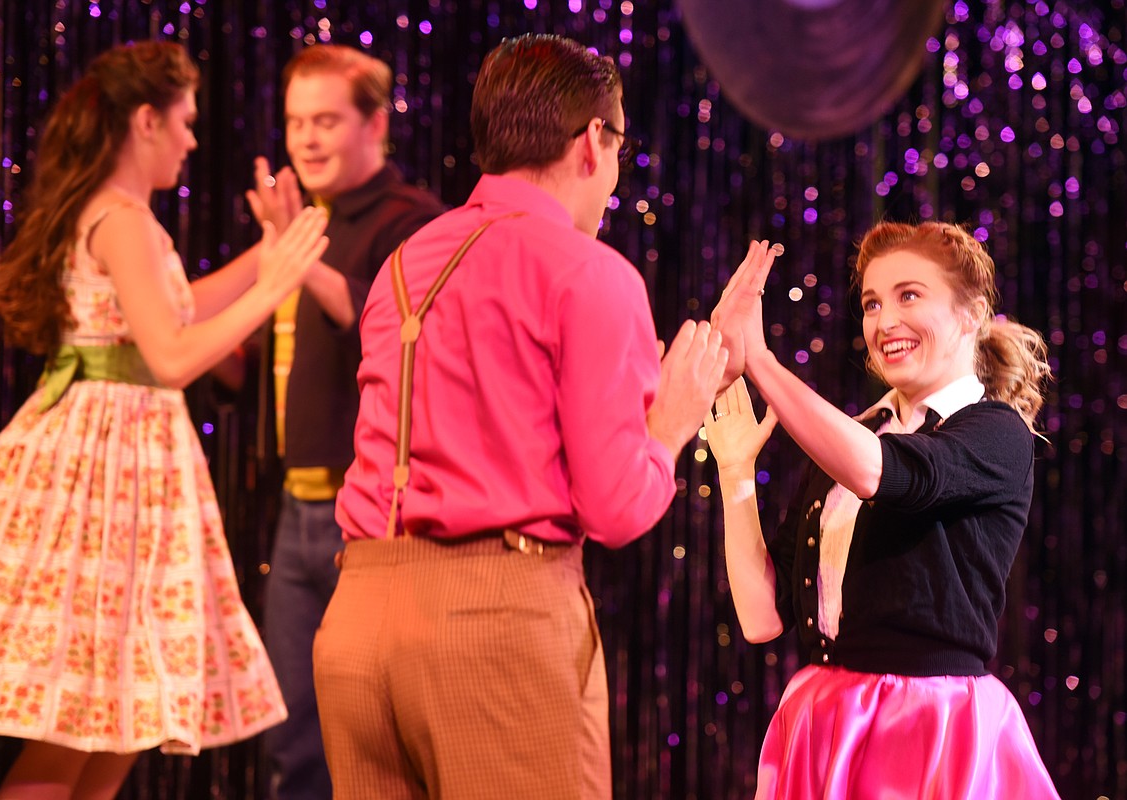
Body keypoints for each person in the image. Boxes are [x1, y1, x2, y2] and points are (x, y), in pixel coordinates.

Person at [311, 34, 727, 800]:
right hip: (491, 627)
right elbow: (614, 509)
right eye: (621, 144)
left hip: (357, 625)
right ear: (594, 142)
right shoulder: (589, 273)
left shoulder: (406, 261)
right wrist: (671, 422)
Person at [0, 41, 329, 800]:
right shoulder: (121, 218)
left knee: (117, 722)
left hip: (133, 464)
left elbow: (174, 308)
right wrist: (274, 287)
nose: (194, 139)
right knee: (74, 732)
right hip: (104, 471)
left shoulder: (123, 216)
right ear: (147, 120)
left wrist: (268, 255)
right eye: (186, 122)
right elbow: (169, 355)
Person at [705, 225, 1060, 798]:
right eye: (872, 303)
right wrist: (735, 471)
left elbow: (885, 474)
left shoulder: (996, 432)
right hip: (826, 721)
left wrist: (761, 362)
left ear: (970, 313)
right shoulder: (858, 435)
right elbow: (762, 618)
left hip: (928, 726)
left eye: (909, 295)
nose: (884, 320)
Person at [243, 44, 443, 800]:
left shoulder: (413, 221)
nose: (307, 139)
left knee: (368, 736)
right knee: (292, 739)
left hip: (366, 521)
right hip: (295, 510)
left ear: (375, 123)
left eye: (326, 120)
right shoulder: (308, 224)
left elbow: (400, 330)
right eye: (296, 123)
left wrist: (299, 259)